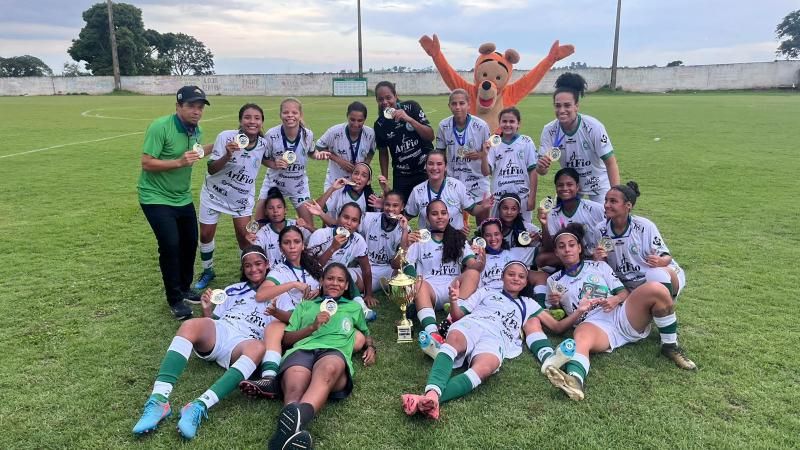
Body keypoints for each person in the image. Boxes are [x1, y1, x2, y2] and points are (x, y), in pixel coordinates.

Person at [542, 224, 696, 402]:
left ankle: (670, 346)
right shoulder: (553, 280)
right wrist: (555, 306)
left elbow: (624, 293)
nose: (567, 249)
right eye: (561, 246)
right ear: (556, 252)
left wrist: (615, 300)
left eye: (571, 244)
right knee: (581, 336)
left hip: (620, 314)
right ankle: (575, 380)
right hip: (593, 324)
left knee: (656, 289)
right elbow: (557, 320)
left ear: (579, 248)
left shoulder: (599, 266)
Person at [400, 261, 570, 420]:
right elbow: (459, 315)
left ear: (526, 282)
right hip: (473, 323)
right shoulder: (486, 291)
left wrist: (580, 311)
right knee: (454, 341)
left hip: (497, 337)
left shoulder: (529, 304)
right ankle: (431, 393)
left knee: (485, 368)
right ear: (502, 277)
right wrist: (453, 301)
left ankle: (429, 399)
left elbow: (556, 327)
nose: (516, 278)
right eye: (511, 274)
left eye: (521, 276)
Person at [132, 246, 270, 439]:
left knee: (258, 347)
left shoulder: (280, 296)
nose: (253, 269)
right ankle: (158, 401)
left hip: (245, 342)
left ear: (267, 265)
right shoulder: (232, 289)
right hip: (223, 329)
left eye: (258, 264)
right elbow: (212, 321)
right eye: (247, 265)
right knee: (190, 325)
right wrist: (206, 308)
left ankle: (198, 406)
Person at [266, 263, 375, 450]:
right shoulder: (306, 306)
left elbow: (366, 333)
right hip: (302, 351)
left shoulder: (353, 308)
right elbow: (287, 340)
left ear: (347, 286)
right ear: (322, 281)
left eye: (341, 280)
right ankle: (287, 435)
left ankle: (286, 431)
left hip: (333, 352)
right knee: (294, 387)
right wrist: (311, 327)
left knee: (329, 368)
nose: (335, 283)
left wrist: (371, 347)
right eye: (330, 278)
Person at [138, 85, 210, 320]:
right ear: (178, 106)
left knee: (189, 243)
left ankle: (185, 287)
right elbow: (147, 163)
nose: (196, 111)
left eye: (200, 107)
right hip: (155, 197)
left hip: (182, 197)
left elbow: (196, 153)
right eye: (191, 106)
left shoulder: (195, 130)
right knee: (170, 245)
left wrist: (222, 145)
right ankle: (175, 299)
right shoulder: (161, 127)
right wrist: (178, 162)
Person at [239, 226, 324, 398]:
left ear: (303, 245)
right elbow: (261, 294)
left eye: (296, 242)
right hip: (294, 320)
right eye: (287, 242)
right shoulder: (280, 270)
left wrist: (320, 292)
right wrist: (293, 284)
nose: (292, 246)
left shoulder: (314, 266)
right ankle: (269, 377)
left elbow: (330, 285)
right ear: (280, 247)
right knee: (276, 326)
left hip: (318, 316)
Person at [195, 103, 269, 289]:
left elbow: (265, 159)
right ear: (240, 120)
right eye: (247, 117)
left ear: (261, 122)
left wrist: (279, 164)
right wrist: (227, 154)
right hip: (214, 194)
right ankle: (208, 270)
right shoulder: (226, 137)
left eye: (256, 118)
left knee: (244, 237)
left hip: (241, 198)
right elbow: (211, 169)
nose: (252, 121)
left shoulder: (264, 144)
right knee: (205, 235)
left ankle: (247, 275)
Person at [392, 200, 483, 351]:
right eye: (434, 214)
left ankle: (449, 320)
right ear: (427, 218)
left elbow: (473, 265)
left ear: (448, 216)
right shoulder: (419, 238)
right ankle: (433, 333)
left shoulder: (458, 238)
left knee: (472, 273)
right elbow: (404, 265)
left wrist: (480, 262)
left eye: (443, 213)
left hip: (454, 290)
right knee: (418, 281)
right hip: (430, 290)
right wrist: (411, 288)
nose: (440, 217)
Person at [591, 182, 689, 304]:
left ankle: (665, 308)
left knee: (655, 273)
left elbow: (666, 257)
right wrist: (598, 259)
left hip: (659, 277)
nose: (606, 205)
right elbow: (605, 264)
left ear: (628, 206)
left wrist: (660, 261)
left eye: (613, 201)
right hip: (628, 285)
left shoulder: (644, 226)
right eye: (606, 200)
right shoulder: (601, 230)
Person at [536, 72, 620, 203]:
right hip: (570, 186)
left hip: (598, 184)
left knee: (606, 219)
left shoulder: (593, 127)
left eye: (567, 105)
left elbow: (610, 162)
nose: (562, 110)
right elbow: (542, 171)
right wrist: (541, 166)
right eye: (558, 105)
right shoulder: (549, 130)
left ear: (576, 106)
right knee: (561, 220)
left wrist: (615, 193)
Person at [306, 202, 377, 319]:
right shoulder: (321, 235)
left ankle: (361, 306)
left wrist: (368, 294)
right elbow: (311, 268)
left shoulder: (358, 240)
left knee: (345, 272)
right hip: (316, 276)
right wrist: (333, 247)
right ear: (338, 217)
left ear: (358, 224)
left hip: (339, 278)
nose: (348, 223)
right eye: (345, 217)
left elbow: (366, 269)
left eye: (354, 220)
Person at [256, 98, 317, 230]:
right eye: (286, 112)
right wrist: (274, 164)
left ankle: (304, 250)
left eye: (294, 112)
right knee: (259, 223)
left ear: (300, 115)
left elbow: (312, 152)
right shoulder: (271, 135)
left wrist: (318, 155)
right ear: (280, 115)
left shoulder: (308, 134)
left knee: (309, 227)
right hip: (274, 183)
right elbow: (263, 158)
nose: (290, 115)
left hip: (298, 186)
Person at [373, 80, 434, 201]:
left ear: (395, 96)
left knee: (430, 208)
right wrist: (385, 180)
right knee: (397, 210)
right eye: (380, 99)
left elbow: (430, 136)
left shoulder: (412, 107)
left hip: (425, 170)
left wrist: (409, 119)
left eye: (388, 97)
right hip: (402, 175)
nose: (385, 102)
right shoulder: (380, 124)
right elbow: (383, 153)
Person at [436, 89, 491, 221]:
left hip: (477, 180)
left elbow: (489, 154)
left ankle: (483, 241)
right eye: (454, 104)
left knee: (483, 222)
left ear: (469, 104)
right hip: (453, 180)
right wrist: (441, 179)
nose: (458, 107)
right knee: (454, 223)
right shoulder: (443, 125)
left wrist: (479, 155)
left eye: (462, 103)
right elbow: (440, 154)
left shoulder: (481, 126)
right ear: (449, 106)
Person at [405, 150, 492, 232]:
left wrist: (482, 207)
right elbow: (406, 217)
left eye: (439, 164)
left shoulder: (457, 186)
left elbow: (472, 210)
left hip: (454, 241)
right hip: (428, 244)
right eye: (430, 164)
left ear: (446, 166)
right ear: (425, 166)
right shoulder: (417, 191)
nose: (435, 168)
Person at [535, 168, 604, 270]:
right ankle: (573, 271)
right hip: (572, 255)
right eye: (560, 185)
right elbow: (549, 248)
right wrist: (544, 225)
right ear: (556, 188)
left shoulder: (594, 208)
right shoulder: (552, 213)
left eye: (569, 184)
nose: (565, 188)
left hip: (594, 255)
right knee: (541, 259)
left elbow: (610, 227)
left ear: (577, 187)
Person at [482, 107, 539, 221]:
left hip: (522, 198)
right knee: (498, 233)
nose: (508, 124)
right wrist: (484, 154)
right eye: (504, 121)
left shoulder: (526, 142)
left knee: (522, 234)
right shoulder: (493, 143)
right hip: (498, 199)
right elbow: (485, 172)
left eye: (512, 121)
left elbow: (533, 171)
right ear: (499, 123)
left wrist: (532, 198)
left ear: (518, 124)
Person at [353, 190, 410, 293]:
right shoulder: (369, 218)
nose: (390, 209)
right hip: (366, 268)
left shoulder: (406, 228)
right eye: (387, 204)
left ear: (402, 207)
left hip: (389, 271)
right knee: (346, 277)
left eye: (395, 205)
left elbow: (397, 264)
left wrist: (405, 231)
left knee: (406, 277)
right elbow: (347, 225)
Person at [313, 101, 376, 191]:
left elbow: (371, 151)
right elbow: (319, 146)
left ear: (365, 119)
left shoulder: (370, 134)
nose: (355, 124)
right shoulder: (334, 132)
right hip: (335, 181)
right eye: (352, 119)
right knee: (331, 205)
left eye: (360, 120)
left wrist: (364, 165)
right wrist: (339, 160)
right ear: (347, 116)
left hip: (358, 183)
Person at [247, 187, 312, 268]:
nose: (275, 211)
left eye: (279, 207)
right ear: (266, 212)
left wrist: (307, 226)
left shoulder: (296, 226)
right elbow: (255, 257)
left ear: (285, 210)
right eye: (271, 208)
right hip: (273, 276)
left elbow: (318, 238)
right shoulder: (263, 233)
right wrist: (251, 244)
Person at [313, 162, 378, 226]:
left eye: (364, 176)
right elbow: (316, 207)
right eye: (356, 173)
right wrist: (332, 188)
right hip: (337, 231)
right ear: (351, 175)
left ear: (368, 181)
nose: (358, 177)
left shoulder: (371, 198)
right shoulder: (340, 191)